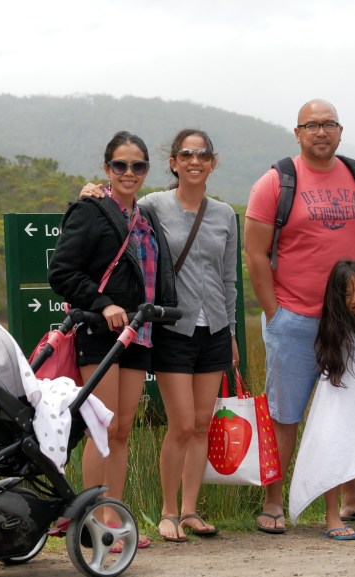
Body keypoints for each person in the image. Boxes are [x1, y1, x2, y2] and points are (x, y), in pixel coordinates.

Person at [80, 128, 239, 542]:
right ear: (173, 163)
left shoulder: (225, 215)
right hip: (172, 327)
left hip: (215, 327)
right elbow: (118, 201)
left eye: (202, 155)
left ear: (212, 162)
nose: (194, 161)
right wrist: (92, 191)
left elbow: (229, 279)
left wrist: (232, 331)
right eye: (186, 154)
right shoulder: (153, 206)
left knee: (202, 424)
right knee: (181, 424)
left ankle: (190, 511)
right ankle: (167, 511)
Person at [244, 99, 355, 534]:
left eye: (328, 124)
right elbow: (255, 253)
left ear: (340, 131)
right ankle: (273, 501)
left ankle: (352, 498)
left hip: (352, 321)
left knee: (348, 410)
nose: (321, 132)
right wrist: (275, 313)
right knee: (285, 415)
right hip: (295, 319)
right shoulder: (276, 182)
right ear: (298, 132)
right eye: (311, 125)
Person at [48, 130, 178, 550]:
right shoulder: (89, 211)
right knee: (101, 428)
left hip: (138, 333)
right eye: (120, 165)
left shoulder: (146, 216)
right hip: (98, 332)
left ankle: (115, 517)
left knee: (121, 429)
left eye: (137, 165)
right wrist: (103, 304)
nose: (128, 172)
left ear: (146, 170)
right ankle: (93, 521)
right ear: (107, 168)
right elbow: (62, 271)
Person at [287, 260, 355, 540]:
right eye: (347, 295)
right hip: (338, 399)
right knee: (334, 447)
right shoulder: (336, 326)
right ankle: (331, 515)